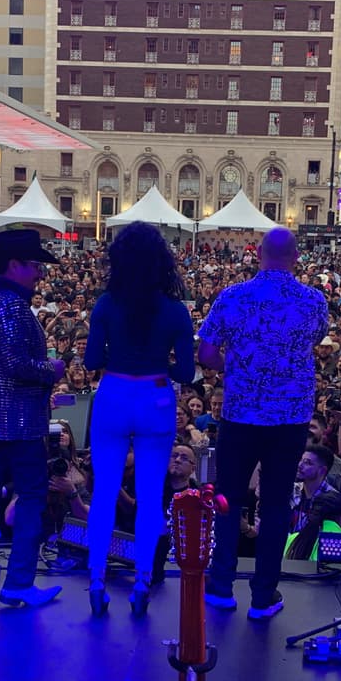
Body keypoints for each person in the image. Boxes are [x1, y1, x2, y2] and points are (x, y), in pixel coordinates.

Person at [198, 227, 328, 620]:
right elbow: (314, 341)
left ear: (257, 255)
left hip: (240, 413)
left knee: (228, 498)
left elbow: (205, 352)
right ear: (297, 257)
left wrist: (236, 370)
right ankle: (264, 596)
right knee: (274, 504)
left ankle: (220, 587)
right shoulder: (313, 301)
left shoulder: (233, 297)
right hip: (289, 417)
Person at [81, 222, 195, 616]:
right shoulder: (176, 311)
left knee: (105, 491)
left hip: (113, 394)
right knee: (149, 496)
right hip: (155, 396)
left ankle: (96, 579)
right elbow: (186, 373)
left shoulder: (106, 305)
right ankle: (144, 579)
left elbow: (91, 361)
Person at [0, 229, 65, 608]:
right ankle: (19, 581)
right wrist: (52, 369)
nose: (40, 274)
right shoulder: (12, 306)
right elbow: (17, 364)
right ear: (15, 264)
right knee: (33, 495)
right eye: (35, 266)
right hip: (17, 421)